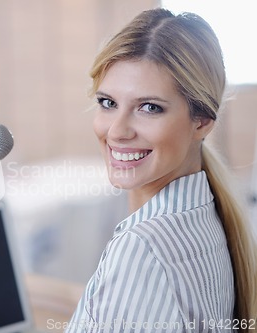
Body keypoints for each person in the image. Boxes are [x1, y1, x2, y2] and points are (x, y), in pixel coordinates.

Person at [66, 8, 257, 332]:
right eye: (108, 103)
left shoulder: (141, 248)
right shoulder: (205, 215)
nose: (117, 131)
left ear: (202, 121)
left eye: (149, 107)